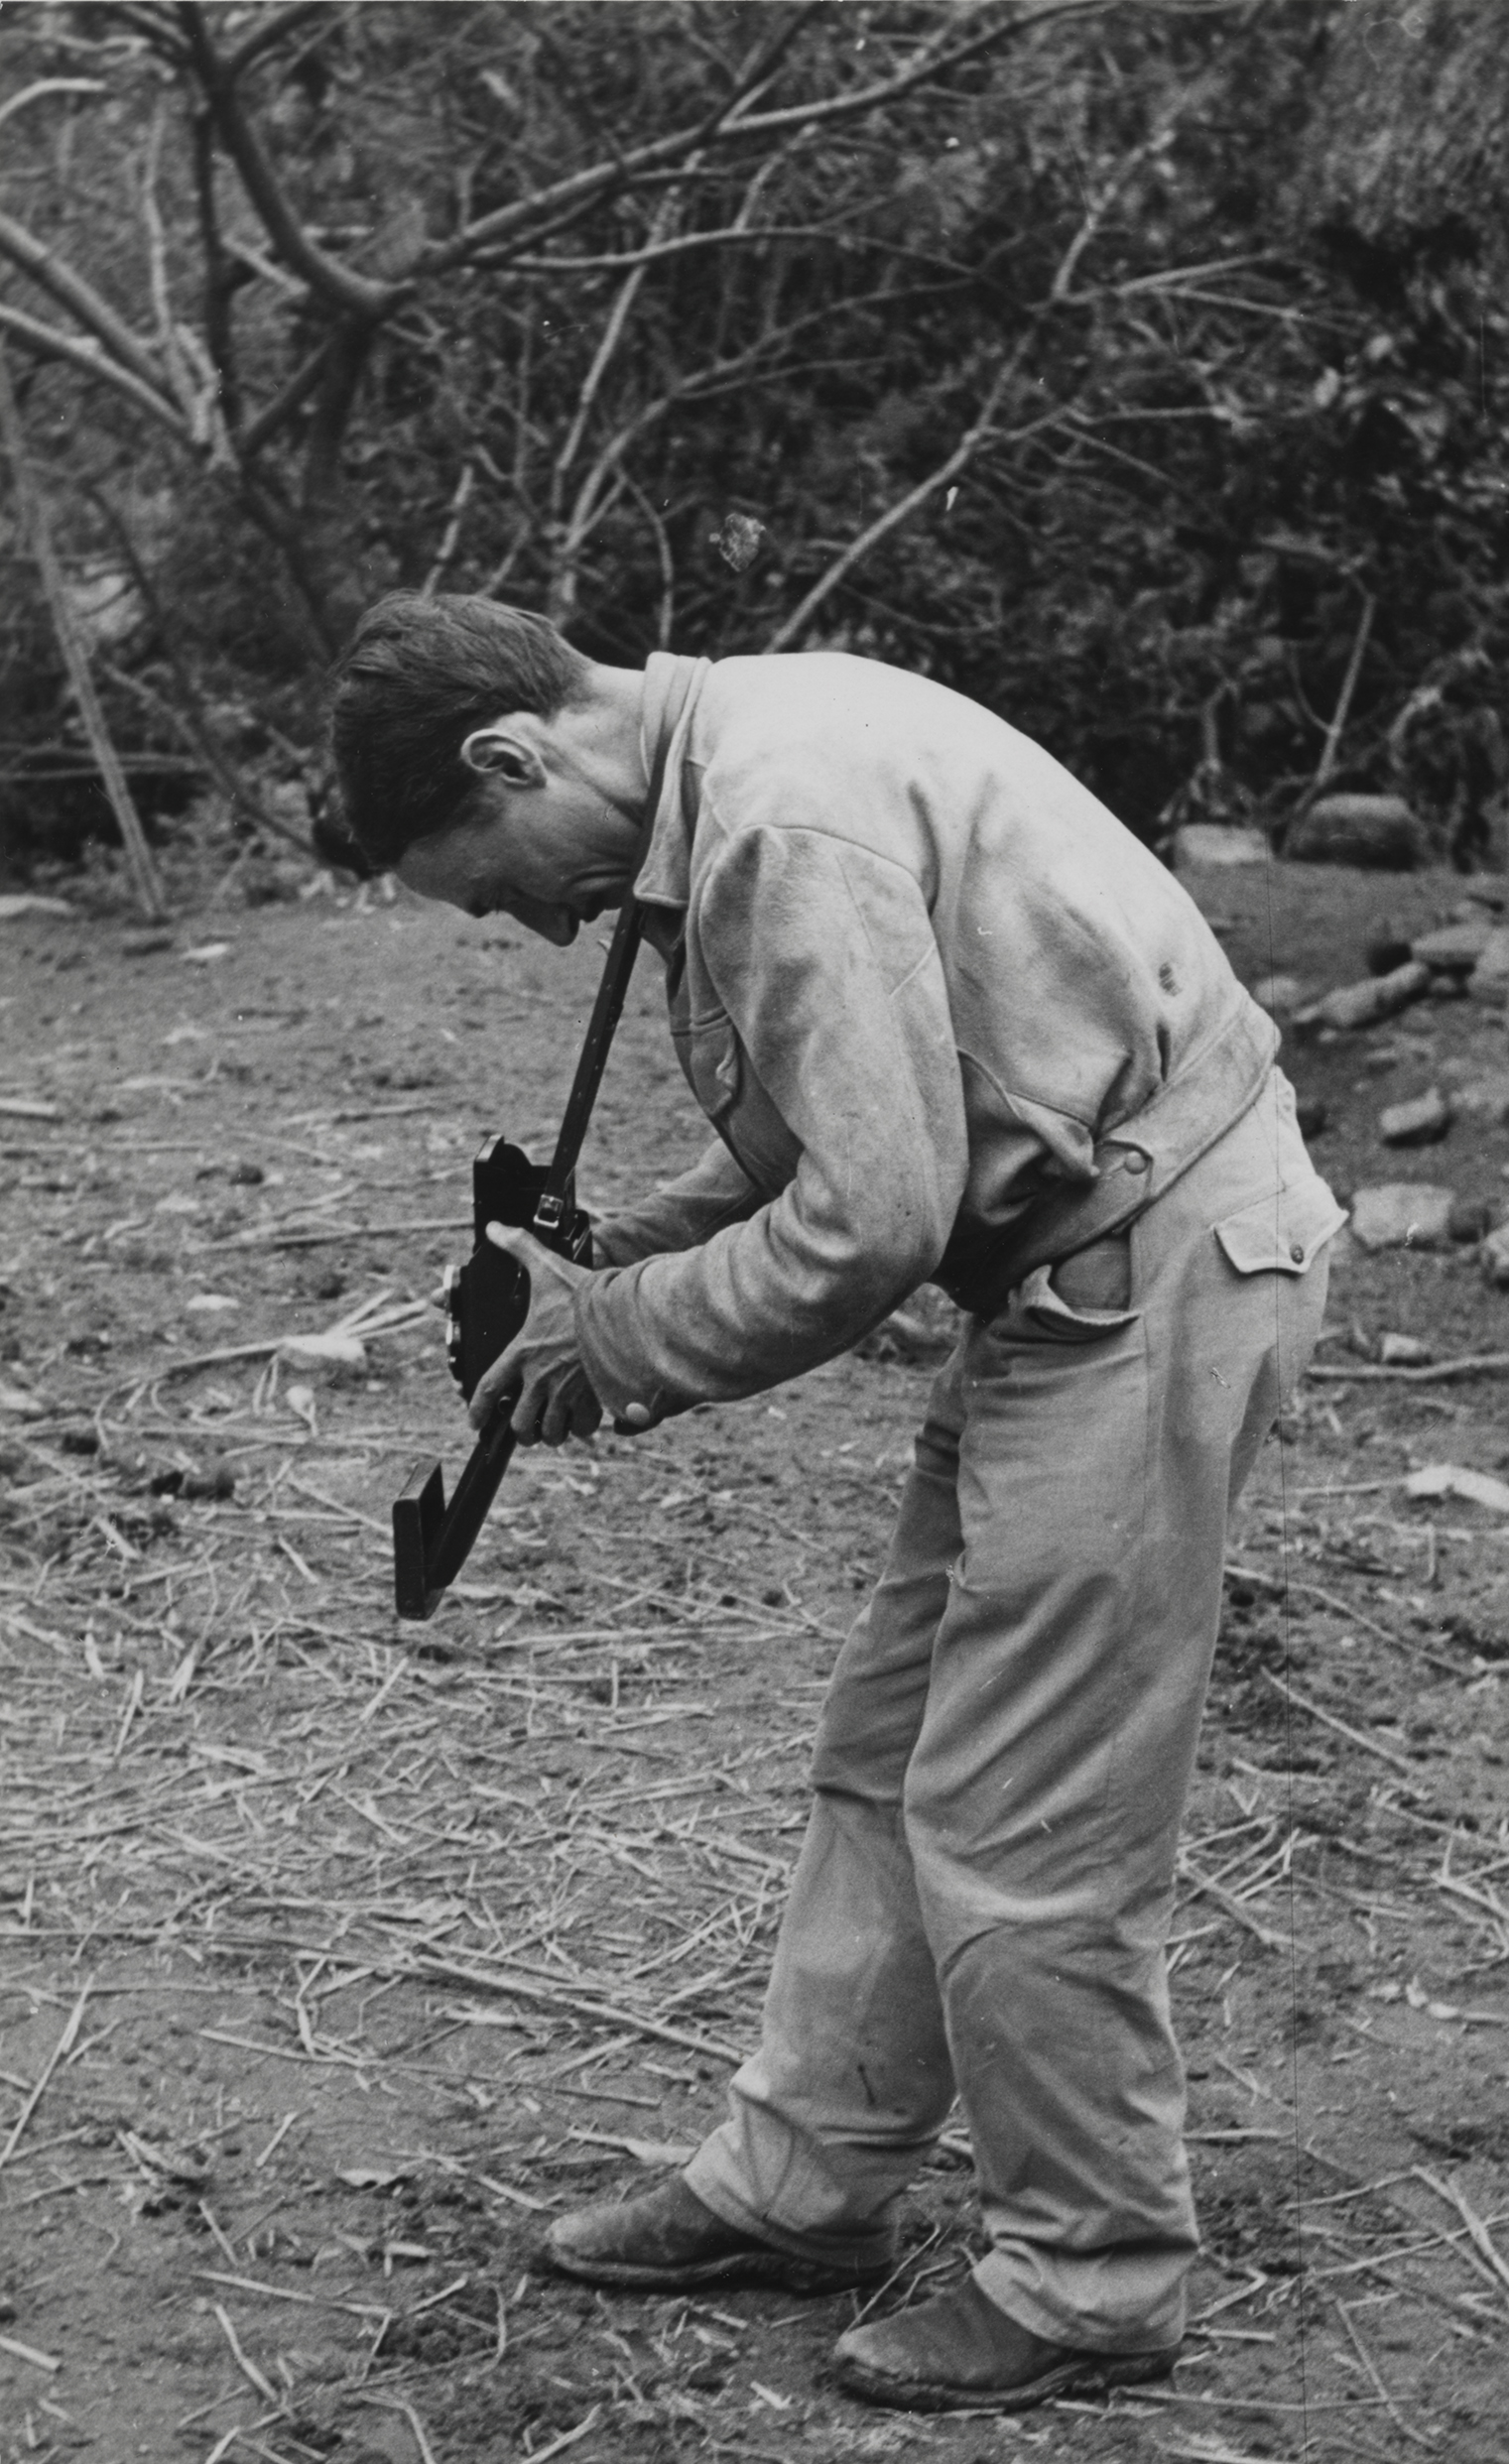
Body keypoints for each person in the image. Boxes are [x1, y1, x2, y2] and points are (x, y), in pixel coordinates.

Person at [329, 591, 1342, 2413]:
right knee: (888, 1749)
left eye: (499, 888)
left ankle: (1092, 2275)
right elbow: (861, 1089)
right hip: (1072, 1270)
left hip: (1153, 1266)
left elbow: (874, 1219)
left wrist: (616, 1337)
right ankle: (803, 2182)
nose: (543, 925)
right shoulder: (746, 745)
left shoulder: (774, 816)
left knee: (1023, 1806)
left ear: (511, 756)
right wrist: (635, 1242)